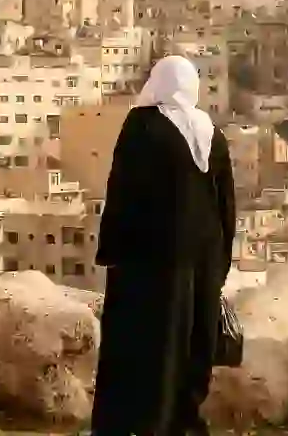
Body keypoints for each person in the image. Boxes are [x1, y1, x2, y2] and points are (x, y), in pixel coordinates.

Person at [91, 55, 238, 436]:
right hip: (202, 258)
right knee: (190, 341)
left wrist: (112, 248)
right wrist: (219, 266)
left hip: (150, 259)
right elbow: (226, 207)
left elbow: (122, 189)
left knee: (147, 342)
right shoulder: (212, 134)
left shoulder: (142, 126)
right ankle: (182, 420)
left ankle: (141, 422)